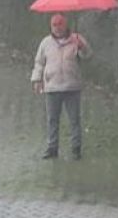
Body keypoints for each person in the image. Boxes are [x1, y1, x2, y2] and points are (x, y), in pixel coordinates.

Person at [31, 13, 90, 160]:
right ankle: (52, 148)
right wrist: (37, 79)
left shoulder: (76, 39)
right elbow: (39, 62)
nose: (57, 28)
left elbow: (87, 55)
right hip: (52, 87)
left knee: (74, 119)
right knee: (52, 119)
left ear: (66, 25)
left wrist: (81, 47)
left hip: (72, 86)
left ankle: (76, 148)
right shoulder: (45, 43)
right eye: (54, 25)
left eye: (60, 24)